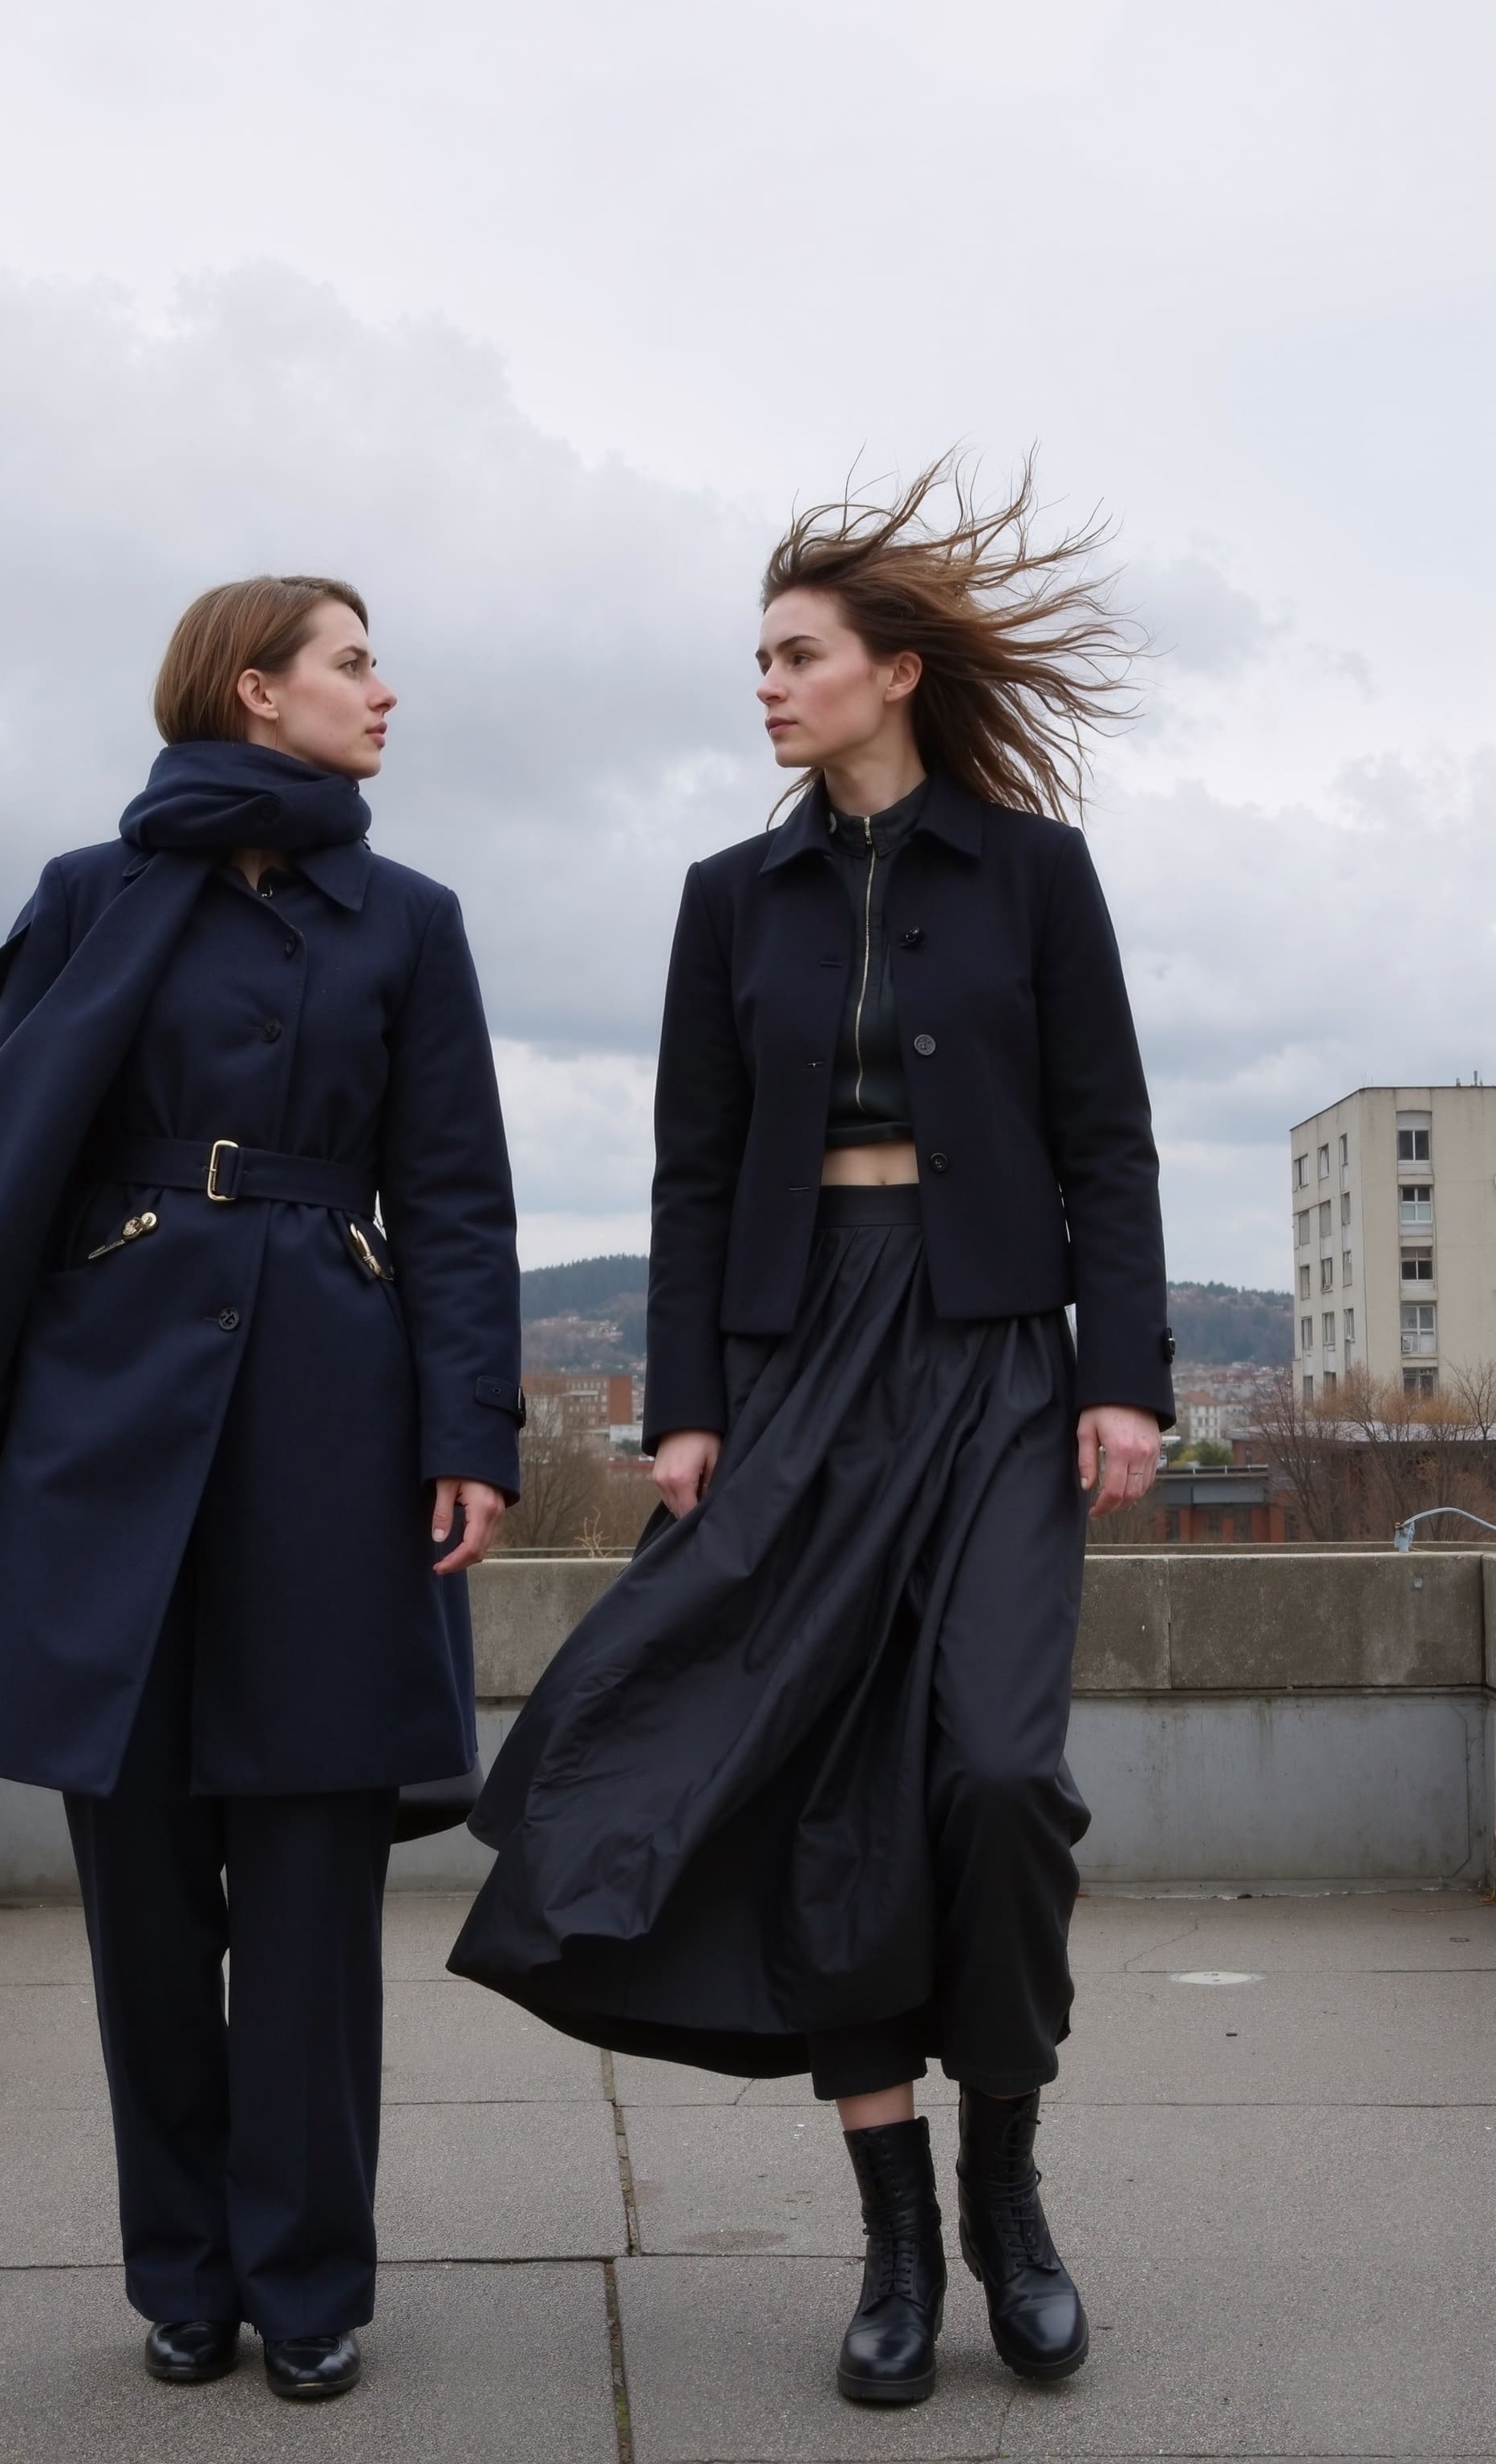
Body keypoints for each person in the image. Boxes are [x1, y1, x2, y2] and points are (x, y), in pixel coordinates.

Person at [0, 574, 524, 2403]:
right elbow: (6, 1175)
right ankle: (179, 2274)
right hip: (106, 1423)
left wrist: (472, 1433)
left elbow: (455, 1195)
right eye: (355, 660)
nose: (389, 690)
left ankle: (307, 2283)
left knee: (305, 1887)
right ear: (252, 684)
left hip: (328, 1420)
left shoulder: (412, 920)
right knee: (141, 1893)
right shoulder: (90, 895)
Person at [450, 459, 1171, 2405]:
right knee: (829, 1802)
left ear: (896, 673)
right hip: (795, 1369)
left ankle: (1009, 2192)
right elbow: (692, 1175)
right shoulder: (726, 900)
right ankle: (896, 2237)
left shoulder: (1033, 874)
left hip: (1002, 1353)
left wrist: (1128, 1373)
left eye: (797, 655)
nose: (766, 685)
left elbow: (1106, 1133)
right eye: (759, 657)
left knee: (1000, 1777)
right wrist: (686, 1410)